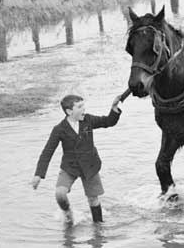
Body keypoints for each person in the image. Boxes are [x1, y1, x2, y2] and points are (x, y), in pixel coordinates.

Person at [32, 94, 123, 223]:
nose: (83, 109)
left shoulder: (88, 120)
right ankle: (68, 214)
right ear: (69, 111)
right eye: (79, 107)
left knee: (93, 200)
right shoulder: (59, 129)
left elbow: (108, 122)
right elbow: (47, 152)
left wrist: (114, 107)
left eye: (83, 105)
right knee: (60, 194)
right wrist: (38, 175)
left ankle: (98, 229)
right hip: (70, 167)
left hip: (90, 166)